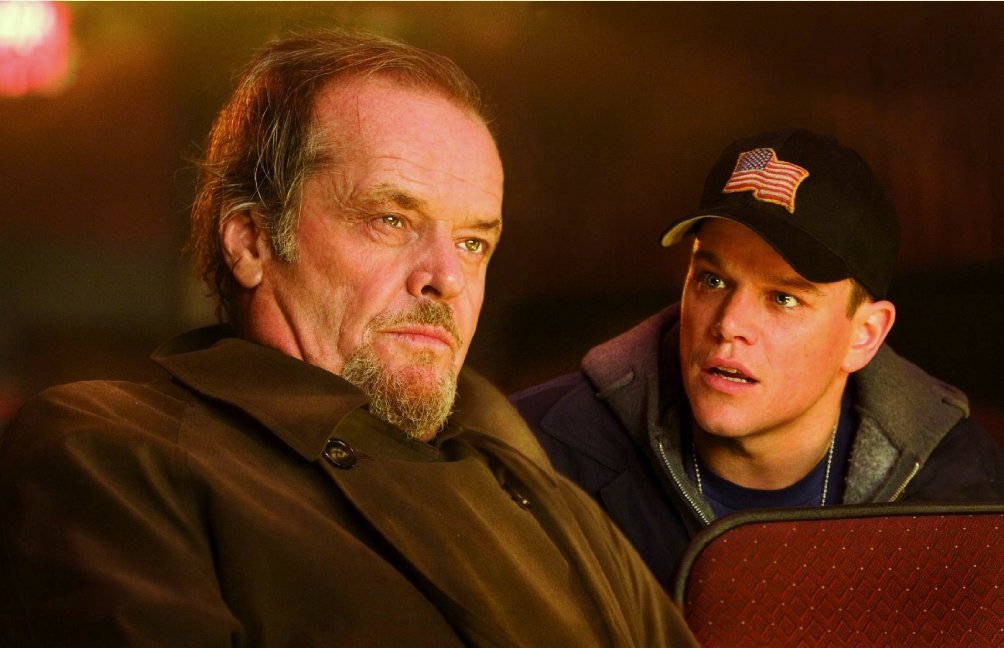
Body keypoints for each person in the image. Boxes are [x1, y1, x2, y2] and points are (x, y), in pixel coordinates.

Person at [0, 30, 698, 647]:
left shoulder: (553, 502)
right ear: (250, 241)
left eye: (473, 242)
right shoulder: (113, 452)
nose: (446, 278)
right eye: (391, 220)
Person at [512, 127, 1004, 587]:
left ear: (864, 335)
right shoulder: (537, 453)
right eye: (712, 280)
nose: (729, 324)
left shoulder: (961, 489)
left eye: (783, 298)